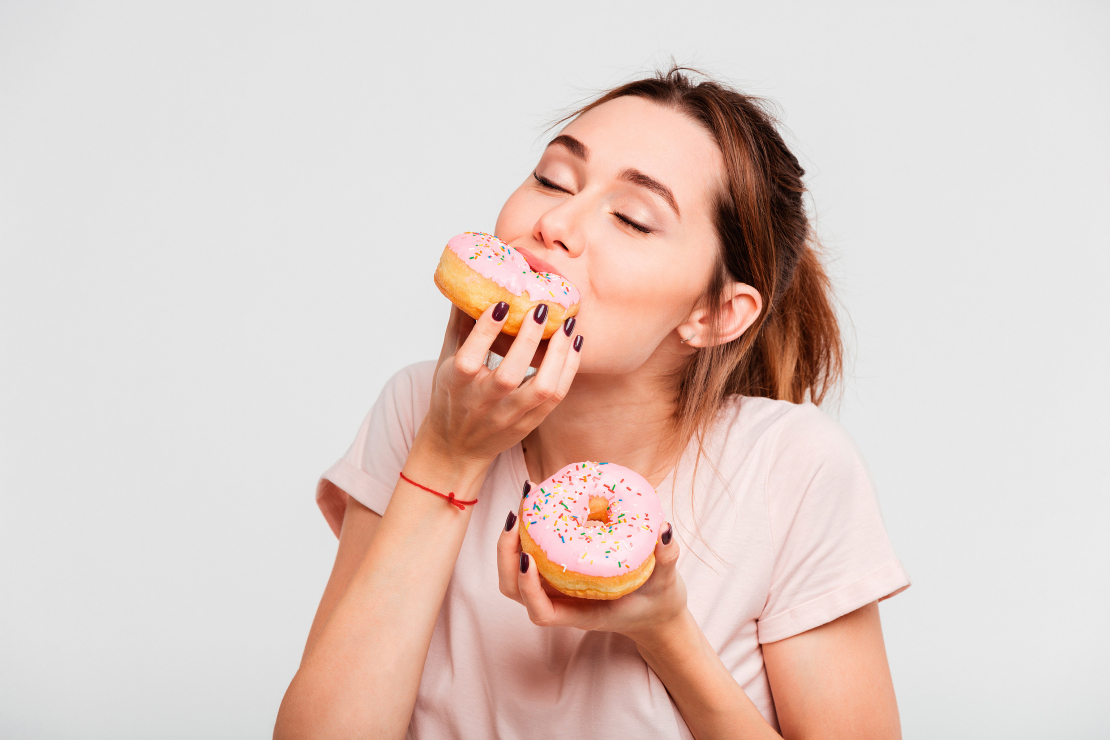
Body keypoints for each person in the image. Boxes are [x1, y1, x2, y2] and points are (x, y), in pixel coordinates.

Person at [275, 67, 911, 740]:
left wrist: (665, 631)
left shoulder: (791, 467)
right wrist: (447, 457)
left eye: (633, 219)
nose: (554, 223)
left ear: (716, 314)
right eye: (552, 179)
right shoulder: (420, 408)